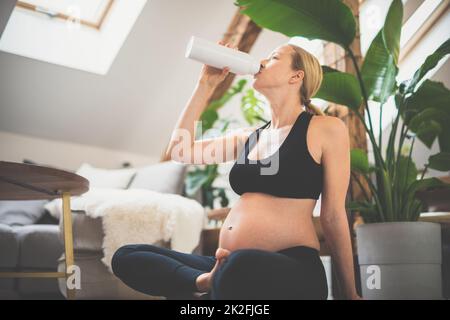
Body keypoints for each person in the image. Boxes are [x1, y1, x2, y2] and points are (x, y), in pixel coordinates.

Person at [111, 40, 361, 300]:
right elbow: (180, 151)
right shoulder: (248, 137)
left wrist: (351, 294)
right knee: (126, 256)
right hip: (227, 266)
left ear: (296, 76)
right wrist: (205, 84)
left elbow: (333, 216)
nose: (261, 62)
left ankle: (215, 285)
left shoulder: (326, 129)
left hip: (291, 268)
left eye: (273, 57)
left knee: (238, 267)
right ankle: (204, 281)